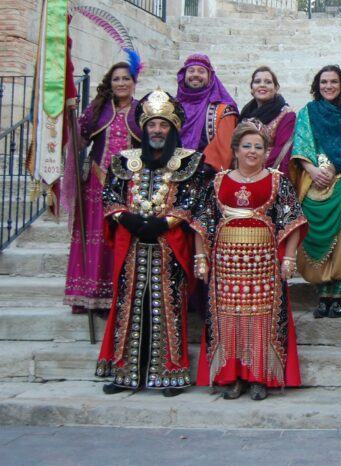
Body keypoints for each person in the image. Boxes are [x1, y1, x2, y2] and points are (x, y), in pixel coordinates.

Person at [95, 89, 207, 396]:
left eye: (163, 125)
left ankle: (169, 375)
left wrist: (164, 222)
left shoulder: (190, 163)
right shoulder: (123, 162)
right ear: (143, 128)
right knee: (127, 308)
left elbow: (195, 200)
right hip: (130, 247)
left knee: (166, 309)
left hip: (169, 248)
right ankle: (125, 374)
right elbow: (110, 197)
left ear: (173, 128)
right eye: (152, 125)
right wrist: (126, 218)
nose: (157, 131)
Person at [193, 122, 307, 401]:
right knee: (227, 317)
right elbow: (202, 223)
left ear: (267, 151)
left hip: (264, 261)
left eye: (258, 146)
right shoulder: (218, 181)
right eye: (247, 146)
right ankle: (230, 377)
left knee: (262, 316)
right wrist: (201, 259)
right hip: (226, 262)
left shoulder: (278, 180)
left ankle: (259, 377)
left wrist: (289, 258)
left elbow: (293, 220)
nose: (252, 151)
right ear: (235, 149)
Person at [63, 61, 141, 313]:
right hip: (96, 183)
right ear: (110, 83)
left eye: (126, 78)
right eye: (116, 79)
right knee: (95, 236)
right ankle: (90, 295)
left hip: (129, 184)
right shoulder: (97, 110)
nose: (121, 83)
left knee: (120, 237)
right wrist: (70, 123)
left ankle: (118, 295)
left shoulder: (142, 111)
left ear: (134, 82)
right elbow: (80, 140)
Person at [290, 65, 341, 318]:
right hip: (314, 185)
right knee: (315, 238)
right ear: (317, 85)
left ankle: (338, 292)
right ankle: (322, 294)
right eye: (323, 82)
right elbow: (301, 143)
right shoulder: (308, 112)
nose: (328, 86)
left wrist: (335, 166)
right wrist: (312, 171)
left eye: (333, 81)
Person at [176, 53, 238, 172]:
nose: (195, 75)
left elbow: (223, 148)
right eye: (191, 70)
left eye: (201, 71)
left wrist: (200, 169)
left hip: (207, 177)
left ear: (210, 77)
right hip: (172, 172)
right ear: (184, 75)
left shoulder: (224, 110)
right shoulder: (172, 107)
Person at [238, 66, 296, 173]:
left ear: (276, 88)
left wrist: (256, 171)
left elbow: (281, 150)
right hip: (242, 171)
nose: (262, 85)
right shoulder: (245, 114)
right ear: (252, 89)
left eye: (268, 82)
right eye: (257, 81)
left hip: (270, 173)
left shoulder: (287, 115)